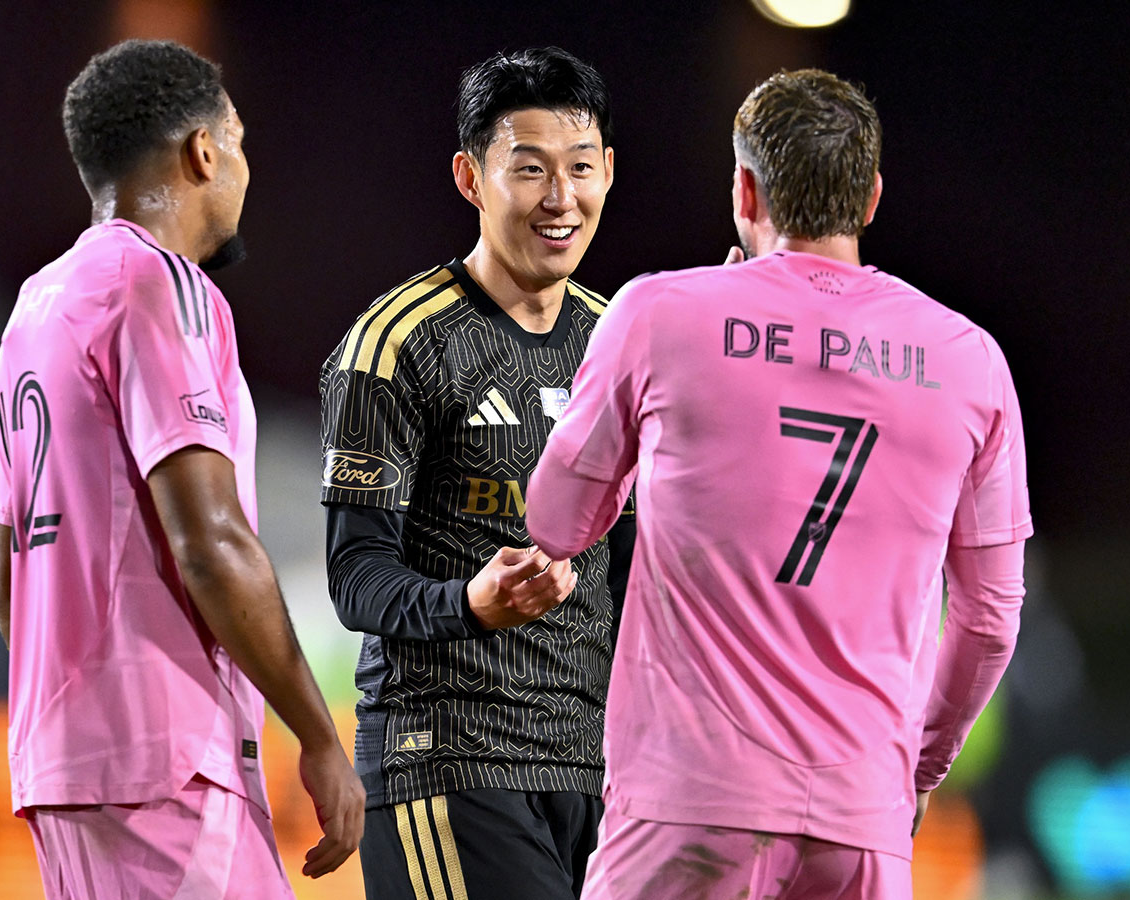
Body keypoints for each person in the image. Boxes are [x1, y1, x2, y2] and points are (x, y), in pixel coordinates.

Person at [527, 69, 1033, 900]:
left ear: (744, 188)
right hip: (861, 816)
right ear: (870, 198)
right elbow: (989, 619)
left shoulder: (658, 314)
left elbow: (556, 521)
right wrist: (916, 765)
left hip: (689, 803)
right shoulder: (969, 361)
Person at [0, 39, 362, 898]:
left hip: (60, 770)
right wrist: (318, 735)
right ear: (203, 151)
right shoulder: (161, 285)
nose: (243, 169)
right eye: (239, 143)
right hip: (168, 764)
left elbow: (10, 584)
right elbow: (211, 540)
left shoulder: (32, 310)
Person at [318, 47, 632, 900]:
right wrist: (469, 604)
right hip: (449, 765)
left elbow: (640, 568)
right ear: (470, 177)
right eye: (529, 170)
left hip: (601, 776)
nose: (559, 199)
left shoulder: (623, 344)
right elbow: (355, 575)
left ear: (608, 171)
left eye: (579, 168)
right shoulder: (397, 344)